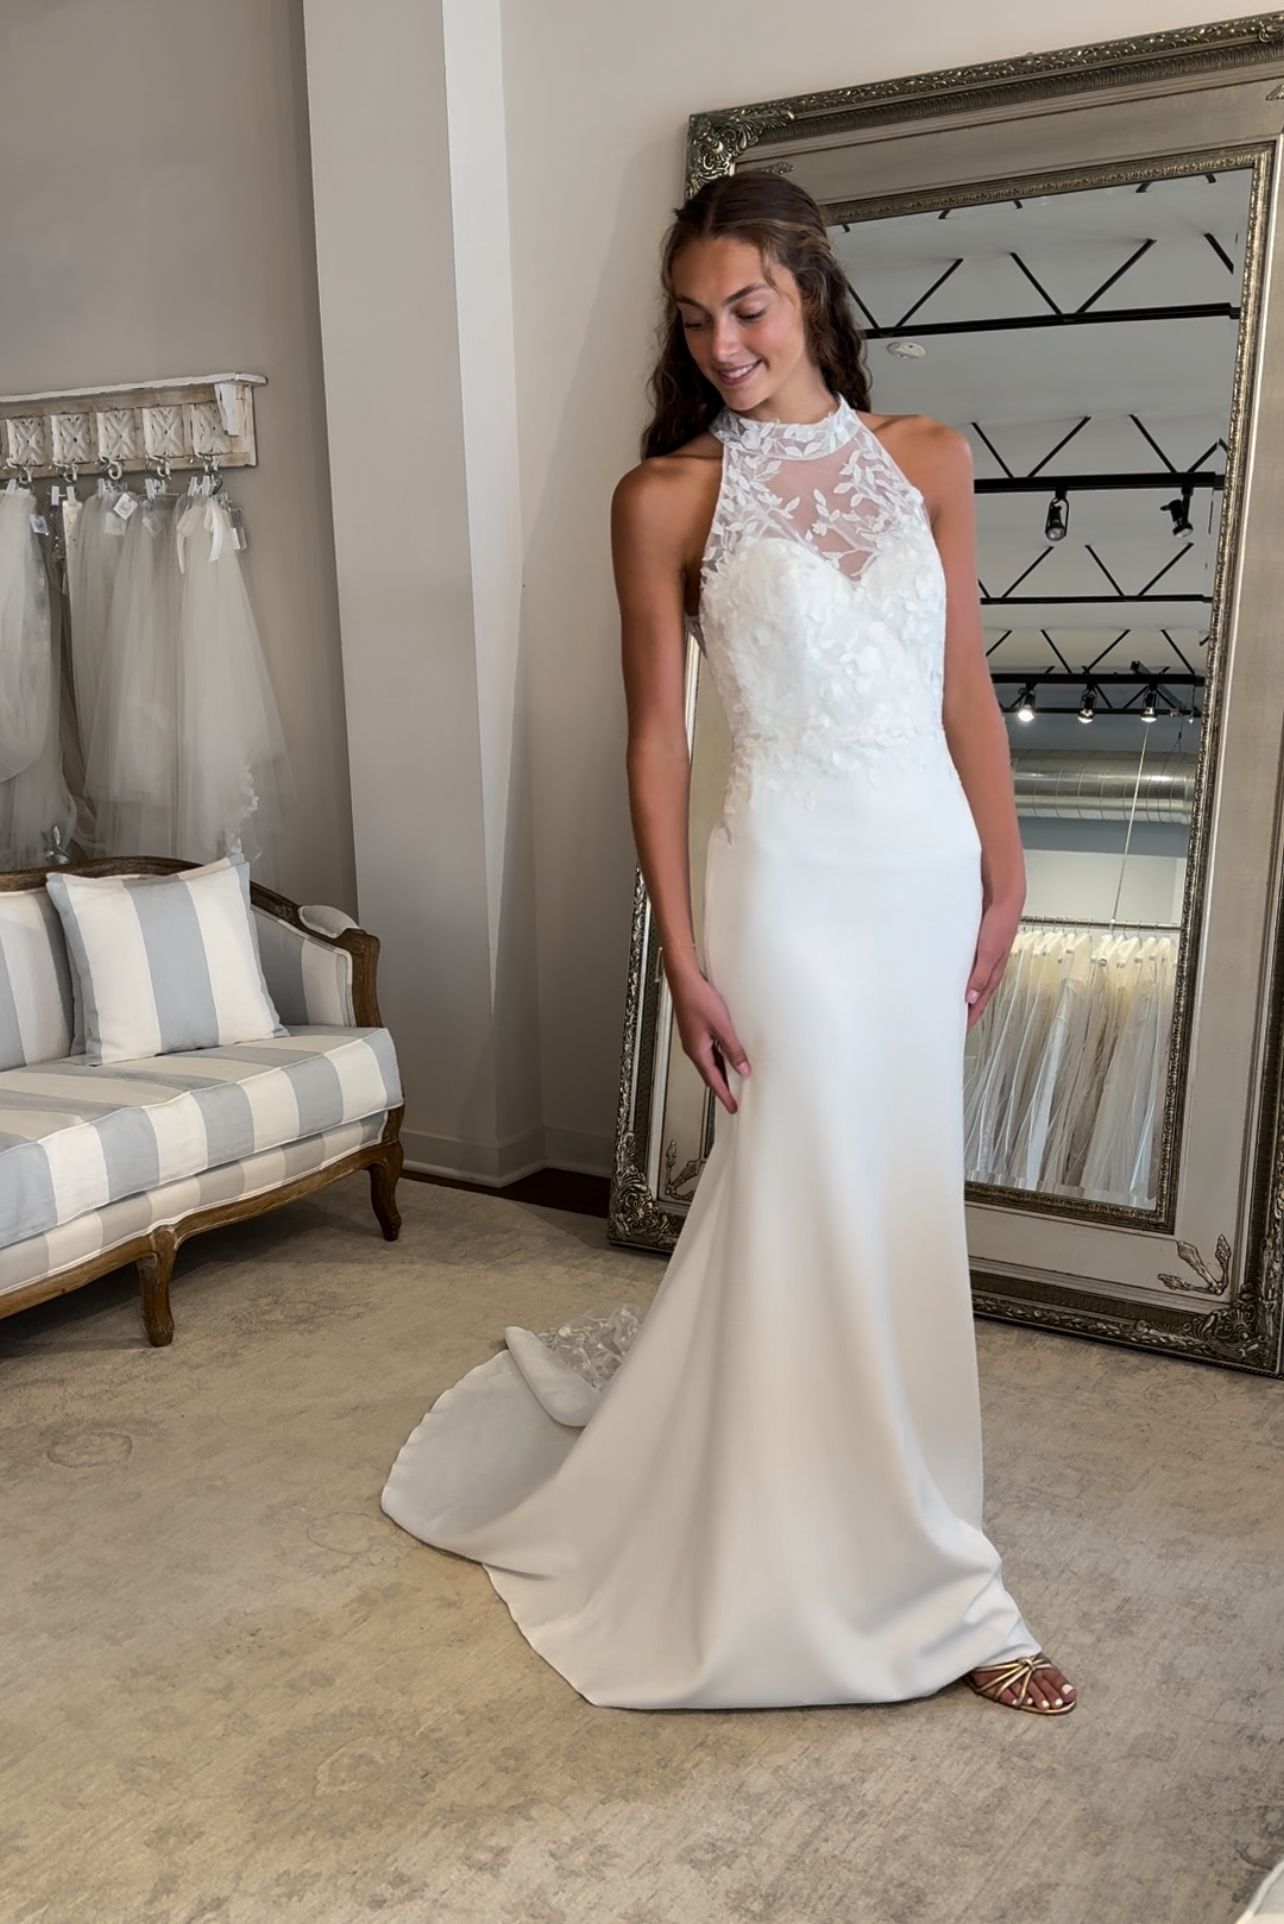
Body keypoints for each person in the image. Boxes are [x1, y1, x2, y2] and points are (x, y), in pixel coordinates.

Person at [381, 172, 1076, 1718]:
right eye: (696, 322)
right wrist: (684, 958)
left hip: (920, 876)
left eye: (747, 308)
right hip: (784, 888)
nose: (724, 344)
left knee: (897, 1204)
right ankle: (831, 1566)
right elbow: (655, 745)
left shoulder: (931, 462)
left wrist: (1007, 876)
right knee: (800, 1192)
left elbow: (964, 681)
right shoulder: (668, 498)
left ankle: (929, 1547)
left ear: (813, 291)